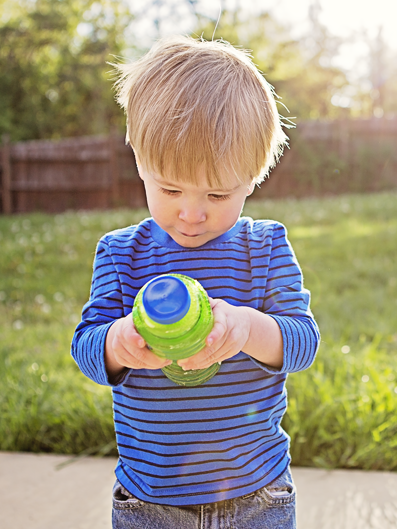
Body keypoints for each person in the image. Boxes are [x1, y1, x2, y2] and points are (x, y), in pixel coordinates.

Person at [70, 36, 320, 529]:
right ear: (140, 164)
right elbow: (86, 348)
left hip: (257, 497)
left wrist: (248, 329)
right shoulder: (121, 253)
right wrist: (118, 344)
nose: (190, 213)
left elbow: (303, 343)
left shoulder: (264, 247)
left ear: (253, 178)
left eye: (217, 193)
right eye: (168, 188)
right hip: (149, 503)